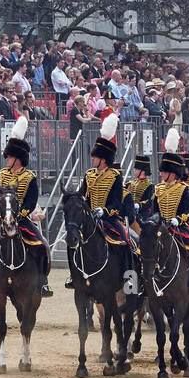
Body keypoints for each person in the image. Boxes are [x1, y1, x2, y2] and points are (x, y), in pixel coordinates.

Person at [0, 115, 52, 297]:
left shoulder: (29, 177)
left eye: (9, 156)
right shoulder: (2, 174)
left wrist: (19, 216)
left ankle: (42, 283)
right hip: (2, 220)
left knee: (41, 246)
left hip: (21, 220)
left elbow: (31, 201)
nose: (6, 159)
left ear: (17, 159)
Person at [64, 114, 128, 291]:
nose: (92, 159)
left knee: (126, 242)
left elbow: (117, 202)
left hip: (108, 219)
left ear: (103, 159)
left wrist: (105, 211)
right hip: (89, 219)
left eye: (95, 157)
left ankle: (127, 278)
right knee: (71, 239)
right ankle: (73, 276)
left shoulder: (115, 176)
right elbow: (82, 194)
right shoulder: (89, 174)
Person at [154, 130, 189, 296]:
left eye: (164, 172)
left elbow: (188, 210)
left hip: (179, 225)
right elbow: (155, 210)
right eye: (162, 171)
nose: (162, 174)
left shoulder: (184, 189)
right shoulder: (158, 189)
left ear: (172, 173)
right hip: (161, 226)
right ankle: (145, 284)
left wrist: (177, 220)